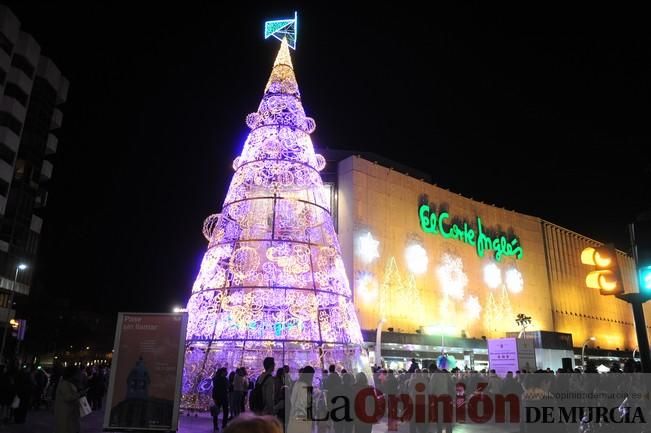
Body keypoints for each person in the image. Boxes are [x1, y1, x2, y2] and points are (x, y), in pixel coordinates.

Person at [54, 366, 85, 433]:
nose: (79, 375)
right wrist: (79, 394)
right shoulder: (64, 383)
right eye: (78, 373)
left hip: (70, 413)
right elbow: (68, 397)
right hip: (65, 413)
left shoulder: (70, 383)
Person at [288, 366, 315, 433]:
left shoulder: (297, 384)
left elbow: (292, 400)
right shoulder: (306, 386)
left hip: (294, 416)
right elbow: (306, 405)